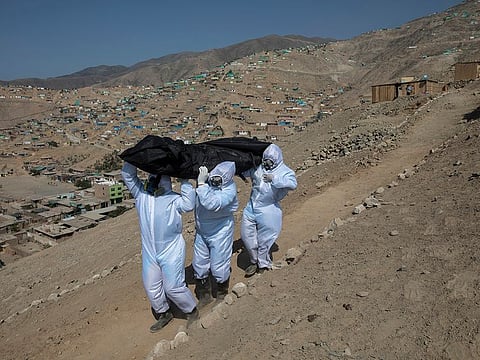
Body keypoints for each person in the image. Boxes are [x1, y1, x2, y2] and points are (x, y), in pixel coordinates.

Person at [121, 162, 199, 333]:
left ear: (166, 182)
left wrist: (185, 181)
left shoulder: (174, 199)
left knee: (173, 287)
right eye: (152, 178)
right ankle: (164, 312)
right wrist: (132, 158)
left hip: (171, 250)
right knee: (151, 286)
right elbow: (128, 175)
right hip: (150, 252)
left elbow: (189, 204)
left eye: (158, 179)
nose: (153, 182)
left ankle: (192, 311)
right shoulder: (142, 196)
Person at [240, 143, 297, 276]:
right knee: (247, 236)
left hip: (268, 208)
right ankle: (254, 261)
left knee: (265, 238)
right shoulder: (259, 167)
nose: (267, 163)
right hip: (251, 207)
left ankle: (263, 263)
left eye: (271, 161)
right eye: (266, 160)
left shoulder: (284, 171)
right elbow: (246, 171)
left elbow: (293, 184)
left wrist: (275, 179)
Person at [193, 161, 239, 307]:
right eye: (213, 177)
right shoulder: (208, 183)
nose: (214, 181)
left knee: (219, 264)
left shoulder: (229, 191)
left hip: (220, 231)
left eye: (218, 179)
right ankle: (204, 294)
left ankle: (221, 292)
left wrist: (201, 185)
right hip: (202, 230)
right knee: (199, 263)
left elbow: (212, 204)